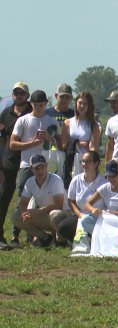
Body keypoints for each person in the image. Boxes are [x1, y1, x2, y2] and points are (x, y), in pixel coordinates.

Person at [9, 90, 61, 248]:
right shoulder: (23, 120)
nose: (38, 107)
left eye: (41, 105)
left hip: (48, 165)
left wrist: (49, 138)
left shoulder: (51, 121)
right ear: (31, 104)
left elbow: (60, 145)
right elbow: (12, 144)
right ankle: (15, 234)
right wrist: (32, 142)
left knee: (47, 200)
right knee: (22, 200)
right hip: (26, 165)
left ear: (46, 104)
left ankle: (44, 235)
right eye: (35, 104)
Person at [72, 159, 118, 254]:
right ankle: (105, 239)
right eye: (108, 176)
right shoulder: (105, 187)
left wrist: (115, 213)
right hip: (109, 222)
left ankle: (111, 240)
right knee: (85, 220)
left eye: (113, 176)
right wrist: (93, 209)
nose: (111, 179)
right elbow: (87, 204)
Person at [49, 150, 107, 244]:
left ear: (96, 163)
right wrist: (79, 215)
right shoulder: (76, 180)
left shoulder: (104, 183)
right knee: (63, 227)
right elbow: (71, 201)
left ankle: (91, 240)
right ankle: (78, 241)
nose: (84, 164)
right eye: (83, 161)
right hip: (80, 215)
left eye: (88, 161)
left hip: (98, 218)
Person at [10, 154, 67, 248]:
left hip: (63, 216)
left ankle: (61, 240)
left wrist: (37, 211)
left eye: (42, 167)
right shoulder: (30, 182)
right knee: (15, 216)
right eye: (37, 168)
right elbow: (23, 202)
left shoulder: (55, 180)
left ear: (46, 167)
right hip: (46, 216)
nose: (40, 171)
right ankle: (45, 238)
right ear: (32, 169)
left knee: (55, 214)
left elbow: (59, 205)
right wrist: (25, 213)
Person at [0, 82, 32, 249]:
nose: (18, 96)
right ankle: (0, 236)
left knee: (27, 200)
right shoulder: (5, 113)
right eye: (16, 93)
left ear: (27, 95)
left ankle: (25, 236)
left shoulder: (32, 112)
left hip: (28, 163)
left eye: (22, 93)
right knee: (3, 199)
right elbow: (2, 140)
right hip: (9, 163)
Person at [63, 92, 101, 177]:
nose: (82, 106)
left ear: (89, 106)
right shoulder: (68, 122)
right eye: (80, 103)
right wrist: (76, 143)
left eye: (85, 104)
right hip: (71, 161)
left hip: (87, 163)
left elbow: (93, 148)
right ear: (76, 103)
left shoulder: (93, 125)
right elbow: (64, 145)